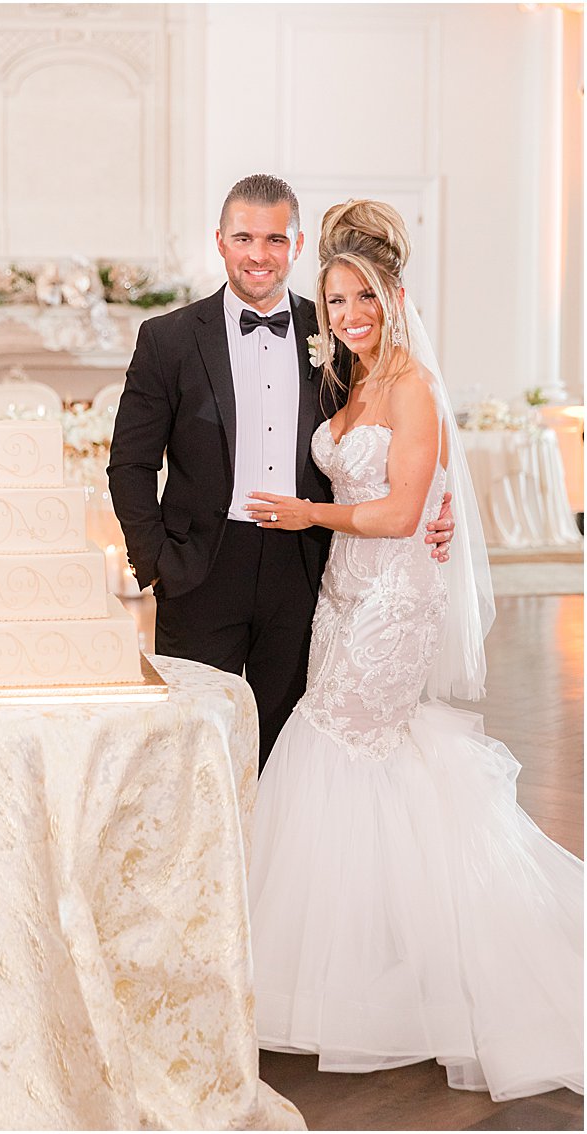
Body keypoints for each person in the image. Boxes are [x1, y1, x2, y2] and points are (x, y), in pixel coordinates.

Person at [242, 199, 583, 1100]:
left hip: (398, 596)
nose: (348, 316)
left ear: (394, 296)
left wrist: (309, 511)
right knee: (368, 760)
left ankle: (382, 986)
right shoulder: (347, 383)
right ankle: (381, 958)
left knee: (336, 744)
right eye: (335, 301)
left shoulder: (413, 388)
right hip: (341, 593)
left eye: (361, 298)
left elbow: (399, 511)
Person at [107, 174, 453, 771]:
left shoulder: (338, 333)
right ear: (220, 241)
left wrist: (436, 504)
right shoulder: (166, 340)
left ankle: (271, 867)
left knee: (289, 752)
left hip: (307, 573)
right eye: (244, 237)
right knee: (194, 749)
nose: (258, 255)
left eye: (274, 239)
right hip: (201, 571)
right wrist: (159, 565)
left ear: (296, 246)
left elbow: (404, 421)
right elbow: (129, 464)